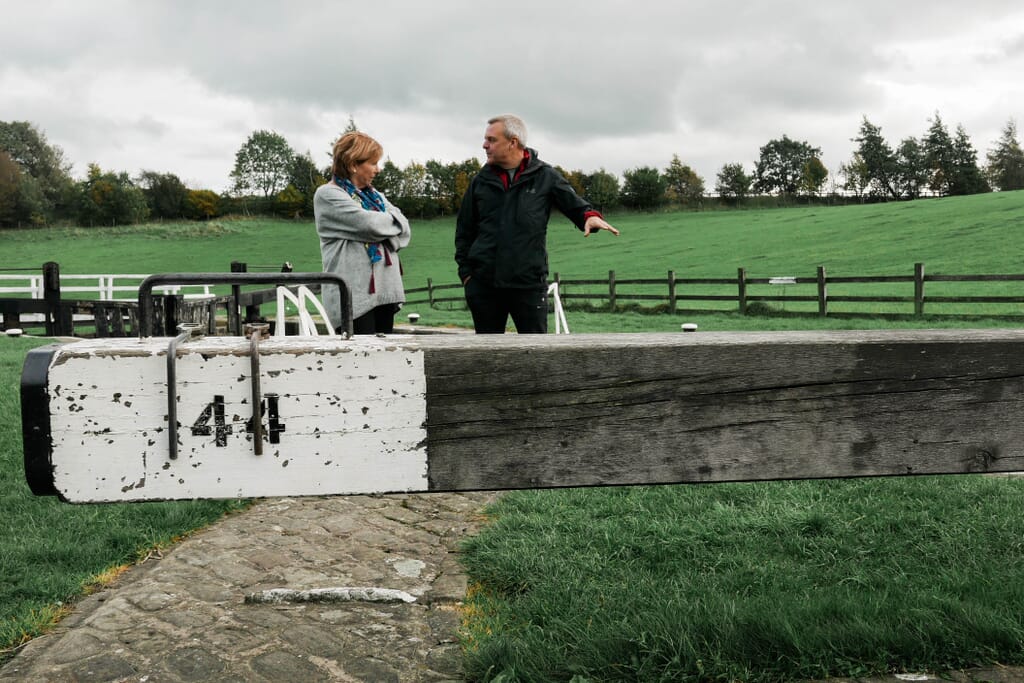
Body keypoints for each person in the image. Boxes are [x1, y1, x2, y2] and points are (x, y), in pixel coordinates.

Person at [455, 114, 619, 334]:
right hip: (484, 286)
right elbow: (464, 232)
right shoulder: (480, 181)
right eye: (486, 139)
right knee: (488, 358)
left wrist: (589, 216)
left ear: (513, 142)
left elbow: (574, 204)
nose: (484, 145)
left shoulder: (544, 176)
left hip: (528, 286)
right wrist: (468, 277)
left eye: (492, 140)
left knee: (536, 355)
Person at [314, 131, 411, 335]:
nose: (378, 169)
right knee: (359, 363)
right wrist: (389, 225)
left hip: (385, 292)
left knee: (383, 360)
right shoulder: (328, 195)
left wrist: (387, 226)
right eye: (373, 163)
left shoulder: (373, 195)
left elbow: (405, 228)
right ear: (353, 164)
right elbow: (369, 225)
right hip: (354, 298)